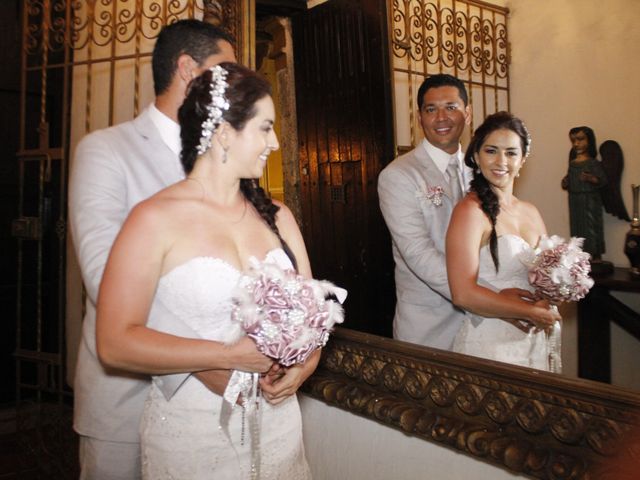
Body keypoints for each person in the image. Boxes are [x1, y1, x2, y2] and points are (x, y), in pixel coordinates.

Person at [95, 62, 314, 478]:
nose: (276, 142)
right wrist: (227, 356)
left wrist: (305, 366)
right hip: (194, 435)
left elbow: (313, 320)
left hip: (281, 429)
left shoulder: (279, 217)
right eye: (266, 128)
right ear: (224, 132)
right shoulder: (154, 219)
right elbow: (114, 342)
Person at [69, 20, 266, 479]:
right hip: (129, 395)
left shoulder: (232, 154)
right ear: (186, 69)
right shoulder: (107, 150)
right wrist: (211, 358)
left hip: (225, 397)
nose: (231, 81)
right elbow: (102, 275)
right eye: (223, 68)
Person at [446, 111, 561, 370]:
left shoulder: (531, 211)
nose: (501, 161)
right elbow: (462, 293)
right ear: (476, 156)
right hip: (491, 343)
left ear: (522, 159)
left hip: (533, 342)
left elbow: (548, 274)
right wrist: (529, 312)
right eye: (491, 151)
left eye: (511, 152)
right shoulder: (470, 212)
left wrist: (555, 294)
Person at [378, 74, 472, 349]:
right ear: (420, 117)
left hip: (483, 328)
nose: (441, 117)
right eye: (431, 109)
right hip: (428, 329)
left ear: (467, 113)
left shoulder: (480, 170)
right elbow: (418, 253)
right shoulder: (398, 175)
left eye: (451, 107)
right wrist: (480, 295)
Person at [561, 126, 607, 259]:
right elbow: (569, 179)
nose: (576, 144)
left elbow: (602, 180)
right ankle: (579, 255)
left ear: (589, 141)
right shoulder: (573, 163)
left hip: (590, 201)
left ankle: (596, 255)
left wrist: (590, 178)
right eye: (573, 140)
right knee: (577, 228)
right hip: (575, 200)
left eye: (580, 139)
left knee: (591, 228)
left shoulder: (593, 163)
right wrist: (566, 182)